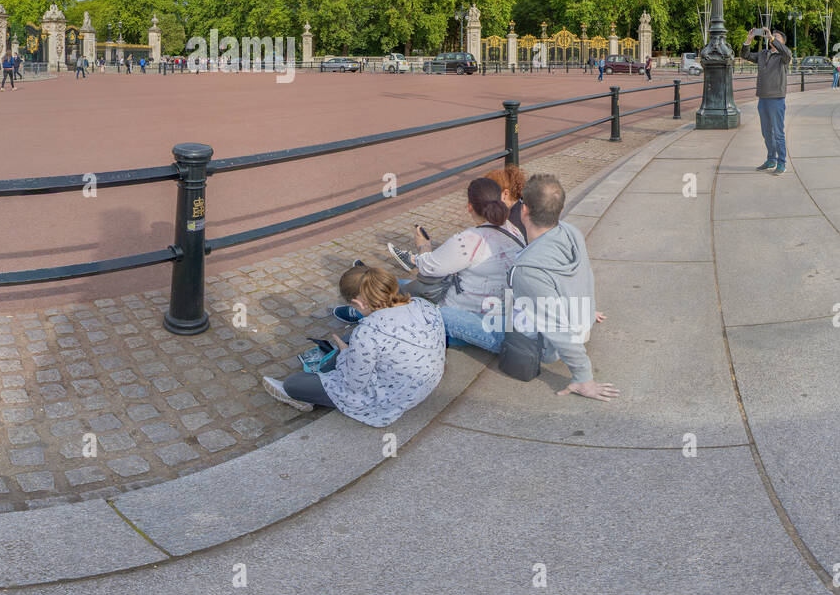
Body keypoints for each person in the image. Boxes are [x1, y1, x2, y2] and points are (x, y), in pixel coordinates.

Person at [262, 263, 447, 426]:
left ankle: (309, 392)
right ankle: (335, 363)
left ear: (358, 303)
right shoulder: (423, 304)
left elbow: (354, 385)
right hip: (424, 385)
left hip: (390, 399)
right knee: (351, 342)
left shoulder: (367, 333)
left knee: (294, 384)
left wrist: (344, 354)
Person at [382, 175, 526, 347]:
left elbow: (429, 269)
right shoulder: (514, 230)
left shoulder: (470, 239)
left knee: (401, 297)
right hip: (500, 310)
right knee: (396, 285)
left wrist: (423, 246)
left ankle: (367, 309)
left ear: (470, 207)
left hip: (467, 313)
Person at [506, 174, 614, 399]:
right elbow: (583, 276)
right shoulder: (571, 232)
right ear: (559, 210)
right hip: (581, 324)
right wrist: (588, 310)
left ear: (524, 211)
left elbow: (554, 327)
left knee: (454, 317)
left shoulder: (527, 270)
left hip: (549, 347)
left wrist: (584, 378)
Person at [753, 24, 791, 173]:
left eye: (777, 37)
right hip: (762, 98)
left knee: (778, 132)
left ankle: (782, 162)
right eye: (771, 36)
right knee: (766, 132)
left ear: (781, 42)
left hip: (776, 98)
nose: (772, 37)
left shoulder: (783, 57)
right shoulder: (763, 54)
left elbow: (786, 51)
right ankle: (771, 160)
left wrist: (772, 37)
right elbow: (746, 55)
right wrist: (748, 41)